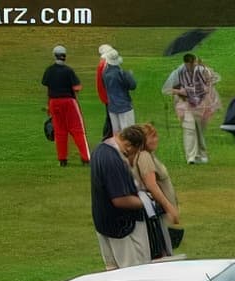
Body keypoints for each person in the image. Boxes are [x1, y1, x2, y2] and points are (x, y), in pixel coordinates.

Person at [91, 125, 150, 269]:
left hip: (103, 222)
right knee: (133, 273)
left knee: (112, 273)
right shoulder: (113, 160)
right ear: (128, 145)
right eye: (134, 152)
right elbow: (121, 200)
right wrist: (147, 202)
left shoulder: (99, 149)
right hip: (121, 228)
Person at [134, 124, 181, 259]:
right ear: (142, 140)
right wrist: (170, 208)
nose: (155, 140)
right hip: (157, 212)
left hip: (160, 211)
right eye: (151, 137)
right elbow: (152, 185)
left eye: (156, 136)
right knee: (161, 252)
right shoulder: (144, 157)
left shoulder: (148, 155)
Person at [41, 45, 89, 167]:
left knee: (60, 132)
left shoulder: (49, 70)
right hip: (68, 102)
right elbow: (77, 87)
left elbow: (48, 88)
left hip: (54, 102)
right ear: (65, 56)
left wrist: (48, 106)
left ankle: (62, 159)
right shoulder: (68, 70)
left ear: (54, 55)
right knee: (77, 130)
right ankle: (85, 158)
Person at [169, 52, 220, 165]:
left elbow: (213, 80)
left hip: (202, 104)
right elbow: (170, 88)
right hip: (185, 103)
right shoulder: (178, 72)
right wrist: (182, 92)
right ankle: (190, 157)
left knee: (200, 130)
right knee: (189, 129)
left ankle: (201, 154)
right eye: (189, 65)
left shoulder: (202, 70)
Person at [103, 48, 137, 134]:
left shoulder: (105, 73)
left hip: (112, 106)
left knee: (117, 133)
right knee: (128, 132)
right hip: (124, 106)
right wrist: (129, 75)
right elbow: (132, 86)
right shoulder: (121, 73)